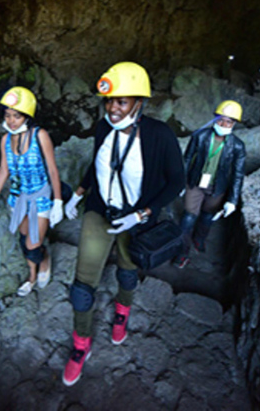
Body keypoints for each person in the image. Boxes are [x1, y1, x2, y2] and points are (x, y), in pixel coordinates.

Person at [61, 62, 184, 386]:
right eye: (109, 101)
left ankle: (122, 312)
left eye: (122, 101)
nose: (113, 108)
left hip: (136, 218)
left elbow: (177, 183)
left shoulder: (160, 135)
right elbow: (98, 163)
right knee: (82, 288)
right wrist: (78, 193)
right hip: (100, 211)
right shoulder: (104, 127)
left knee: (127, 272)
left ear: (139, 103)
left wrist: (143, 213)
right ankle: (80, 344)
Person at [0, 86, 64, 297]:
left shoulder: (40, 136)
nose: (11, 121)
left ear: (27, 116)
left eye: (17, 116)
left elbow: (52, 170)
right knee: (24, 238)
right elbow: (4, 170)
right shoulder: (5, 140)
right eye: (8, 115)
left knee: (33, 243)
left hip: (39, 196)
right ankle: (32, 274)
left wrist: (57, 201)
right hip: (17, 197)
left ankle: (44, 258)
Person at [173, 100, 246, 269]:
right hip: (196, 183)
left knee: (207, 216)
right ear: (215, 118)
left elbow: (237, 174)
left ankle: (199, 239)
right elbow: (187, 159)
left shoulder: (237, 146)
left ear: (234, 124)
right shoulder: (201, 136)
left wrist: (232, 200)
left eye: (229, 121)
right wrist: (180, 182)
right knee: (188, 217)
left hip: (217, 187)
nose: (224, 124)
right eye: (221, 119)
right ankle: (182, 253)